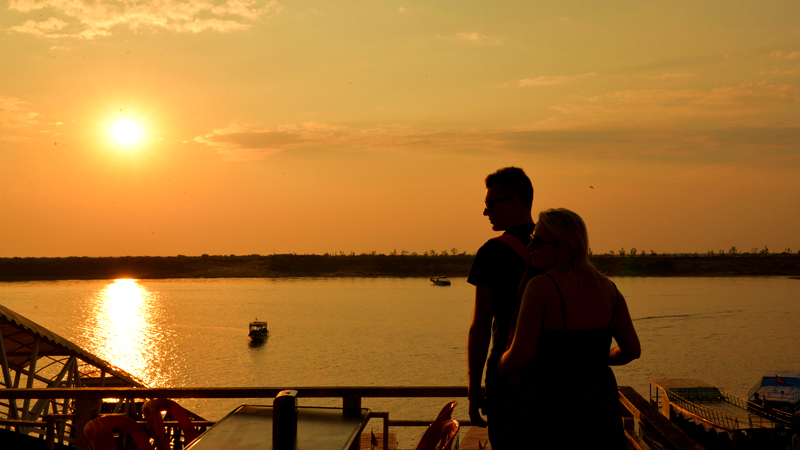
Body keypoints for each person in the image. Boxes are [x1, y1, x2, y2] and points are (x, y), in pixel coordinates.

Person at [499, 208, 641, 449]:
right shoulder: (609, 289)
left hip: (548, 406)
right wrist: (593, 359)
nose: (530, 247)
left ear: (563, 246)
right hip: (598, 406)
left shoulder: (542, 286)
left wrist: (502, 362)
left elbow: (519, 357)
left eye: (537, 241)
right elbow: (632, 350)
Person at [467, 167, 536, 449]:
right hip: (554, 377)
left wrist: (474, 391)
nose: (485, 213)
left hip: (507, 376)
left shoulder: (493, 252)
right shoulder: (561, 247)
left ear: (514, 203)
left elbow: (480, 326)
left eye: (489, 205)